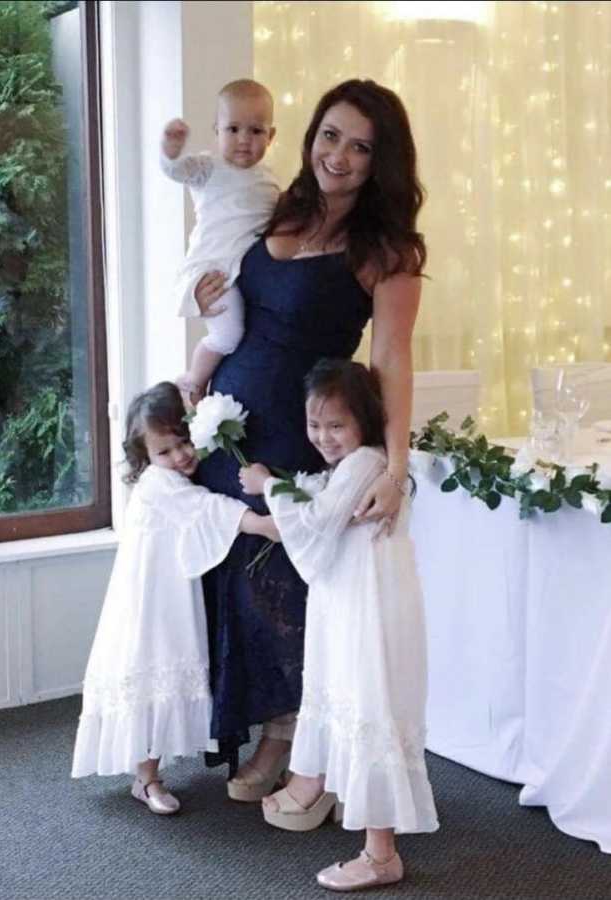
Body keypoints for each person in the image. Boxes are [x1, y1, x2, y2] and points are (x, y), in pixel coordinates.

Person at [193, 78, 425, 802]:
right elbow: (223, 276)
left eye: (361, 146)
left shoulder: (386, 250)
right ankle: (240, 720)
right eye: (330, 135)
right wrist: (204, 298)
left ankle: (287, 735)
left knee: (279, 587)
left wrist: (393, 463)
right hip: (229, 422)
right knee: (226, 575)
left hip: (303, 432)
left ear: (380, 162)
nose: (340, 155)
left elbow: (390, 359)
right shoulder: (276, 206)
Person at [239, 359, 438, 892]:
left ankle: (381, 854)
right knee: (356, 707)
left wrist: (266, 487)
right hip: (353, 602)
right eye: (314, 424)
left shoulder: (366, 463)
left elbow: (317, 525)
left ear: (364, 421)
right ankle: (371, 836)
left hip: (368, 609)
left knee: (371, 707)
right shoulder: (355, 465)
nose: (323, 437)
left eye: (336, 425)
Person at [70, 382, 279, 814]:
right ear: (147, 458)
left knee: (164, 673)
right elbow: (204, 509)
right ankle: (145, 779)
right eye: (165, 452)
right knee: (152, 672)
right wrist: (261, 524)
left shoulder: (174, 475)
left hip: (169, 594)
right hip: (150, 603)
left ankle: (148, 773)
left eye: (184, 443)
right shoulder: (157, 484)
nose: (180, 456)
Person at [160, 79, 280, 408]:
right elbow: (174, 171)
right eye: (233, 129)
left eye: (256, 131)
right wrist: (171, 149)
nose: (244, 140)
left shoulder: (269, 179)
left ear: (271, 136)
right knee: (227, 335)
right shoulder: (209, 167)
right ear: (217, 131)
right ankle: (193, 380)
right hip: (213, 271)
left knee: (242, 330)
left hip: (243, 272)